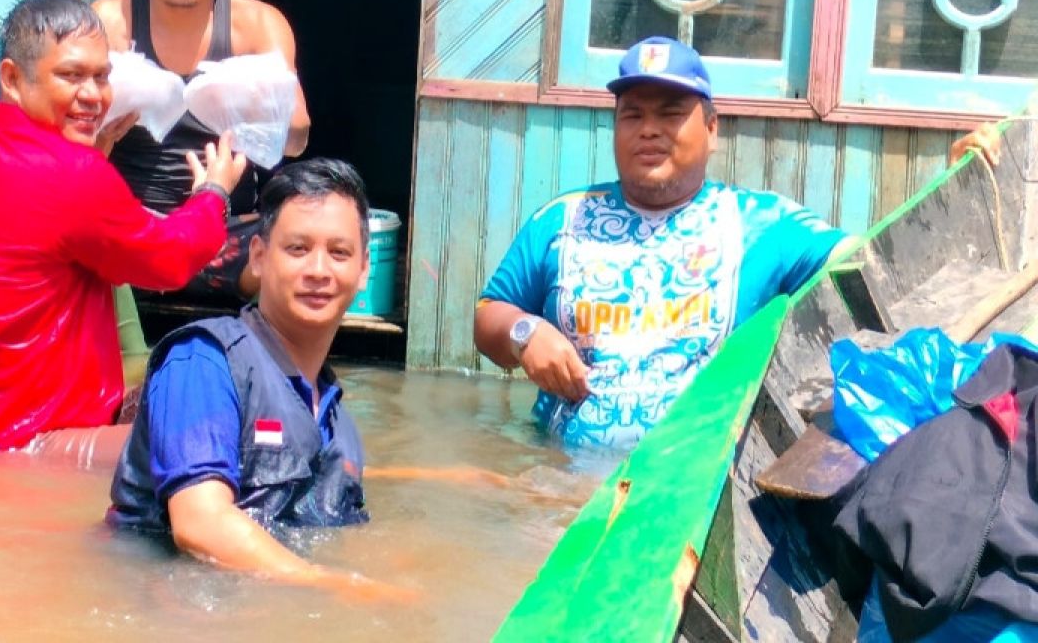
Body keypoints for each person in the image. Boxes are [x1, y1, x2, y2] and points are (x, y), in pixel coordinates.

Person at [0, 0, 247, 453]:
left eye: (102, 77)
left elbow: (61, 237)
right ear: (12, 79)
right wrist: (213, 193)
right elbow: (168, 260)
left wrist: (93, 158)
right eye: (71, 76)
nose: (93, 96)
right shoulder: (74, 175)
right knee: (214, 438)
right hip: (22, 443)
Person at [474, 37, 850, 449]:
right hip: (562, 488)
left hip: (692, 496)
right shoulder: (563, 219)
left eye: (670, 114)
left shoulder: (763, 225)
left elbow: (862, 262)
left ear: (711, 129)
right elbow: (489, 314)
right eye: (632, 115)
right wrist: (526, 333)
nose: (649, 130)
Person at [107, 159, 414, 600]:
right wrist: (339, 587)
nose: (318, 271)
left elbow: (335, 542)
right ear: (259, 257)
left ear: (364, 269)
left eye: (339, 253)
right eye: (297, 249)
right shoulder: (203, 363)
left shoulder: (339, 425)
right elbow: (200, 524)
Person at [93, 0, 310, 303]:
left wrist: (244, 102)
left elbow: (297, 138)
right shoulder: (109, 23)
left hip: (227, 232)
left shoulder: (256, 26)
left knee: (297, 250)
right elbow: (61, 140)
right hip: (131, 227)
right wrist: (100, 136)